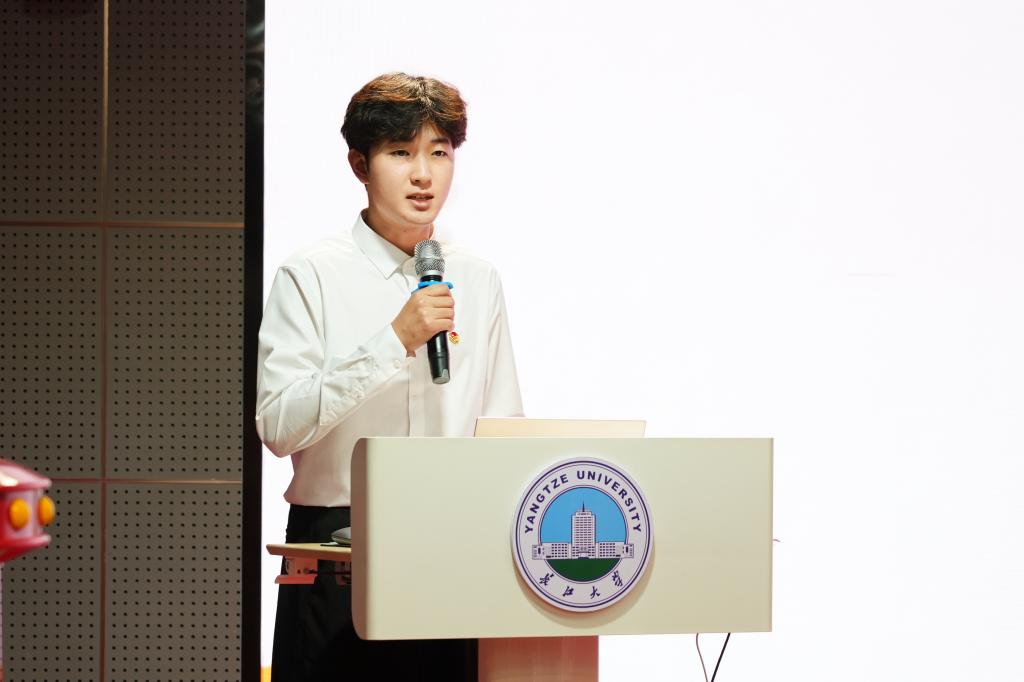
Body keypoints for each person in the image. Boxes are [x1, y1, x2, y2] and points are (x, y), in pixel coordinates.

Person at [256, 73, 523, 681]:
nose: (424, 175)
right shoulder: (311, 274)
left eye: (439, 153)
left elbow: (503, 425)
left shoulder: (477, 278)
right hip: (333, 552)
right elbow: (278, 425)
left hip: (451, 549)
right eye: (401, 153)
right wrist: (393, 341)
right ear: (360, 164)